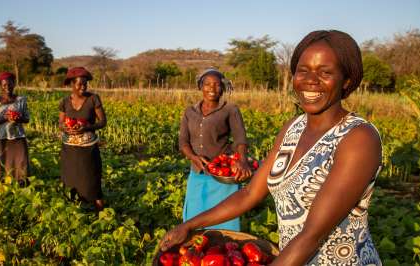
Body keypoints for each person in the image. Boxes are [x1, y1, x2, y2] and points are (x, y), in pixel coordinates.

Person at [161, 30, 383, 265]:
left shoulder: (358, 137)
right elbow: (249, 194)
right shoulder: (292, 129)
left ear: (346, 80)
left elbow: (311, 235)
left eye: (325, 72)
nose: (310, 80)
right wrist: (190, 225)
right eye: (303, 70)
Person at [178, 68, 253, 231]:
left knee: (225, 216)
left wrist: (242, 160)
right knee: (193, 213)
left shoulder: (230, 109)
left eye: (217, 85)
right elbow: (183, 141)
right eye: (207, 84)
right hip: (197, 172)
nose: (212, 89)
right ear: (200, 87)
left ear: (223, 88)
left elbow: (240, 138)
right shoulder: (189, 112)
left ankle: (226, 246)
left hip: (222, 174)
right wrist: (192, 157)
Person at [59, 67, 106, 211]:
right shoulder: (65, 102)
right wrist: (65, 128)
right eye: (79, 84)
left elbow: (103, 122)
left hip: (88, 147)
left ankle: (100, 212)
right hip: (69, 147)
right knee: (71, 177)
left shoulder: (93, 99)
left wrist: (86, 127)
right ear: (71, 85)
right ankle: (75, 209)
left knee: (91, 178)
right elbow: (60, 123)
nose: (83, 87)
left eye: (85, 84)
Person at [0, 72, 30, 185]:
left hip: (19, 136)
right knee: (5, 161)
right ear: (0, 85)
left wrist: (18, 118)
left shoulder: (21, 100)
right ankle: (4, 183)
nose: (7, 87)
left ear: (14, 84)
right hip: (3, 136)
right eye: (4, 85)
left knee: (21, 161)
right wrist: (4, 117)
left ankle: (22, 183)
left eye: (10, 84)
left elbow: (27, 119)